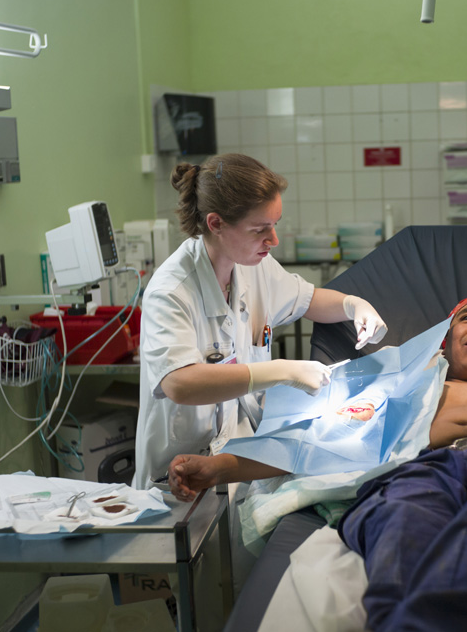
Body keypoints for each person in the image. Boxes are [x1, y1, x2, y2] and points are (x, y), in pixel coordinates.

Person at [167, 293, 467, 631]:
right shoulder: (405, 383)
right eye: (466, 318)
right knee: (404, 525)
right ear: (445, 344)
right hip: (418, 472)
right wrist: (221, 467)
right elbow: (316, 442)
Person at [132, 153, 387, 491]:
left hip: (238, 466)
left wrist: (355, 306)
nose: (274, 240)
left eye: (275, 224)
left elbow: (309, 300)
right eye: (260, 229)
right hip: (179, 479)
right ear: (216, 224)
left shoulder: (255, 267)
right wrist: (283, 370)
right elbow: (180, 383)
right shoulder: (172, 291)